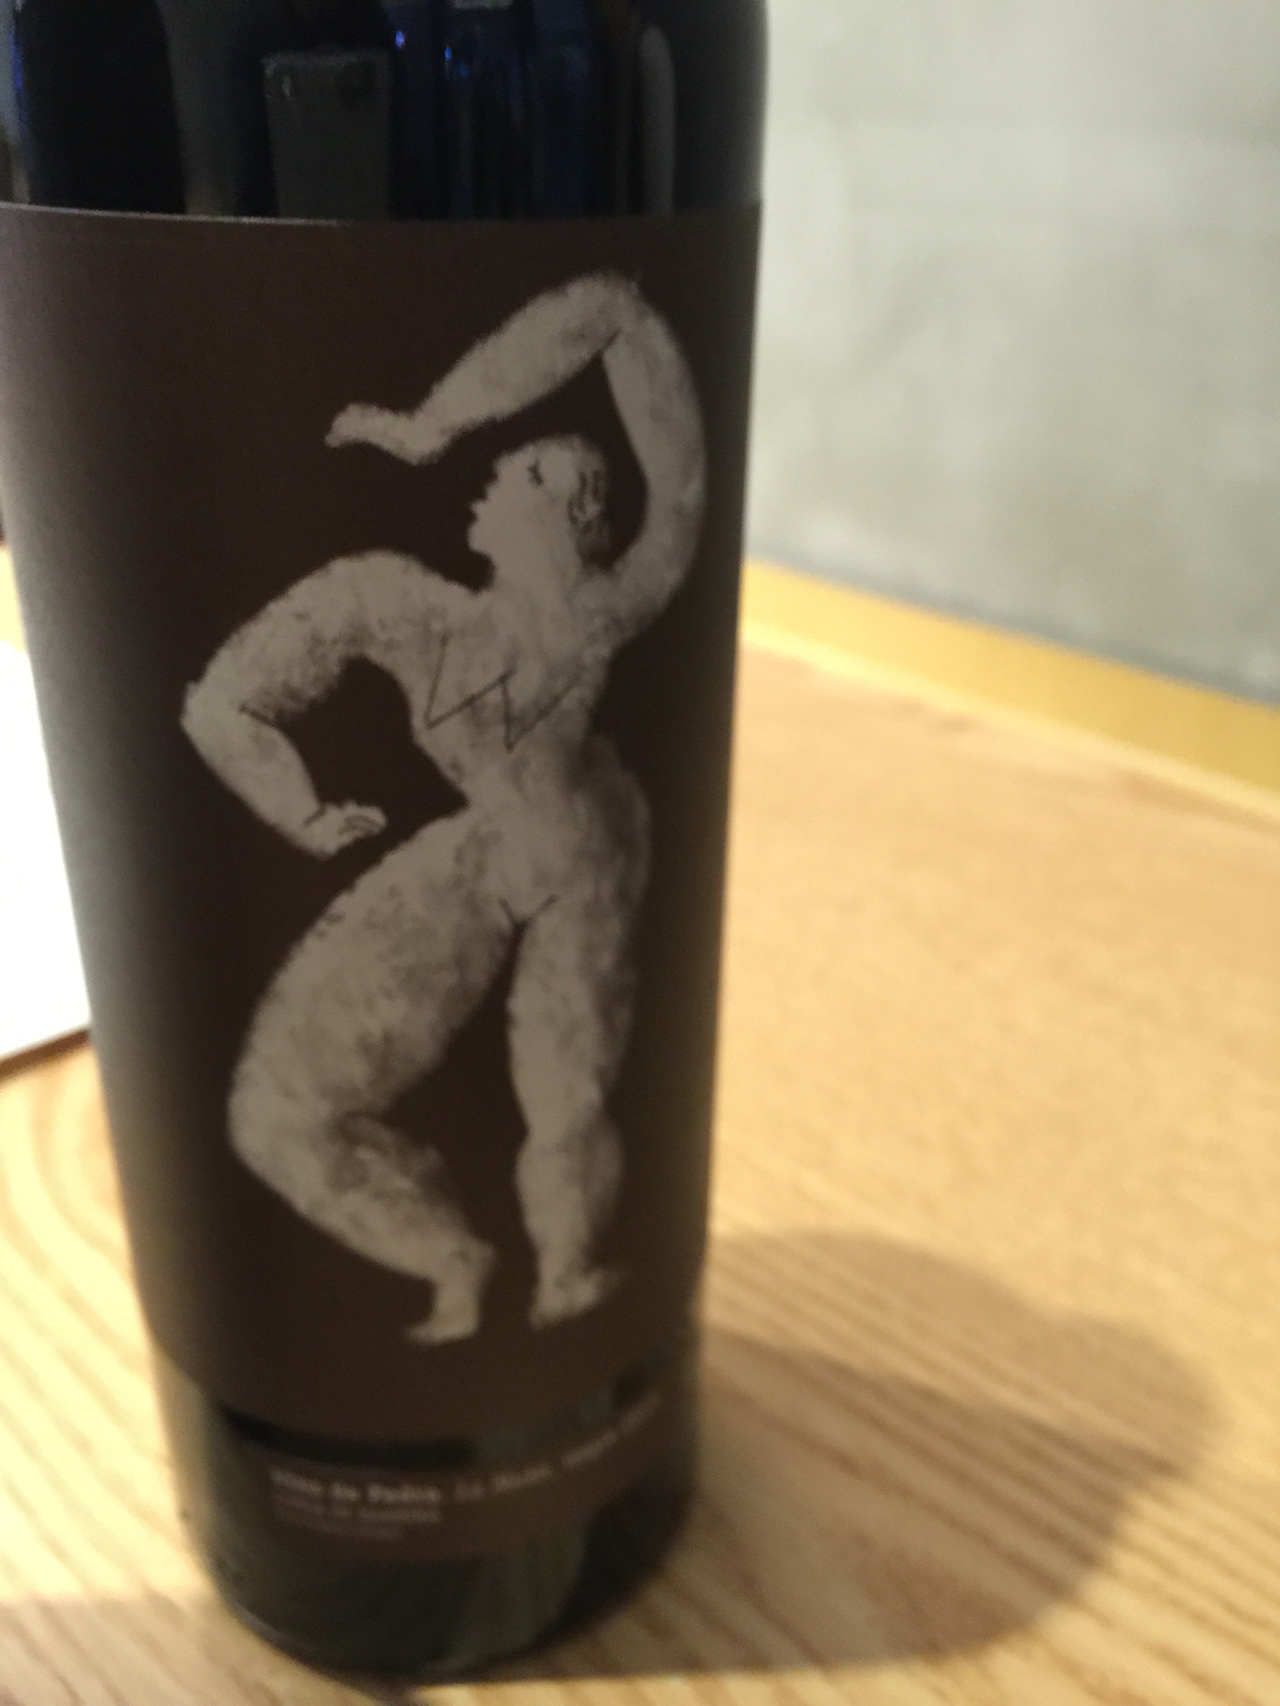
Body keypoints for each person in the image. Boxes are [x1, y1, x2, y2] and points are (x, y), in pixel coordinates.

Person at [182, 273, 706, 1344]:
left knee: (563, 1087)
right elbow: (221, 701)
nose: (494, 476)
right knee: (273, 1105)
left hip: (580, 856)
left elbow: (615, 317)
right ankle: (447, 1256)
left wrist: (440, 418)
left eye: (525, 470)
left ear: (568, 512)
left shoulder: (605, 608)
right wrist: (297, 810)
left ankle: (564, 1273)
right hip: (483, 861)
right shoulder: (409, 609)